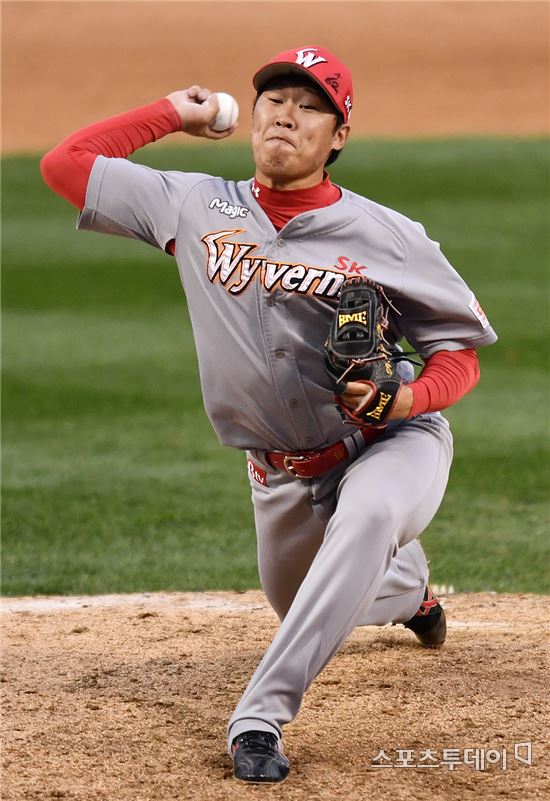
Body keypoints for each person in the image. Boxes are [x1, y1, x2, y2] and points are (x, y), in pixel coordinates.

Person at [41, 45, 497, 784]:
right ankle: (408, 590)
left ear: (338, 136)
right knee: (304, 602)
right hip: (280, 475)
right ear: (254, 117)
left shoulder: (388, 235)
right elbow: (65, 164)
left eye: (311, 106)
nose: (287, 114)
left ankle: (259, 716)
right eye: (275, 100)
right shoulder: (192, 205)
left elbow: (460, 353)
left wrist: (407, 398)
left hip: (391, 442)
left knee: (371, 513)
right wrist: (172, 112)